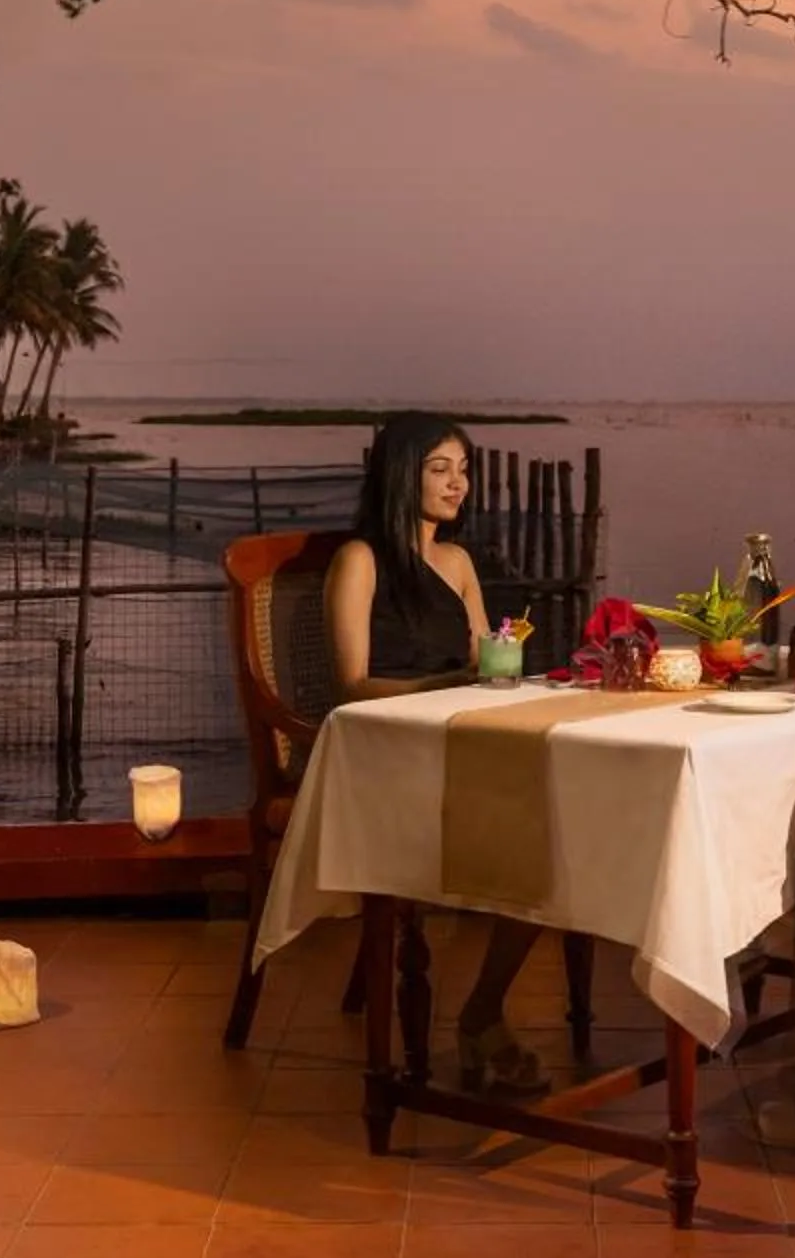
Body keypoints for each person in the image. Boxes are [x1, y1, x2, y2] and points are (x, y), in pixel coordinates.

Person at [324, 411, 550, 1097]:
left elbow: (488, 656)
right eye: (439, 468)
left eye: (464, 469)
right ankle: (481, 1021)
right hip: (390, 753)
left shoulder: (458, 562)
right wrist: (443, 684)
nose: (459, 484)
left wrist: (503, 673)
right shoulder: (360, 561)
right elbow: (353, 683)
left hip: (463, 739)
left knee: (554, 831)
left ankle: (482, 1011)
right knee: (528, 835)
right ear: (402, 474)